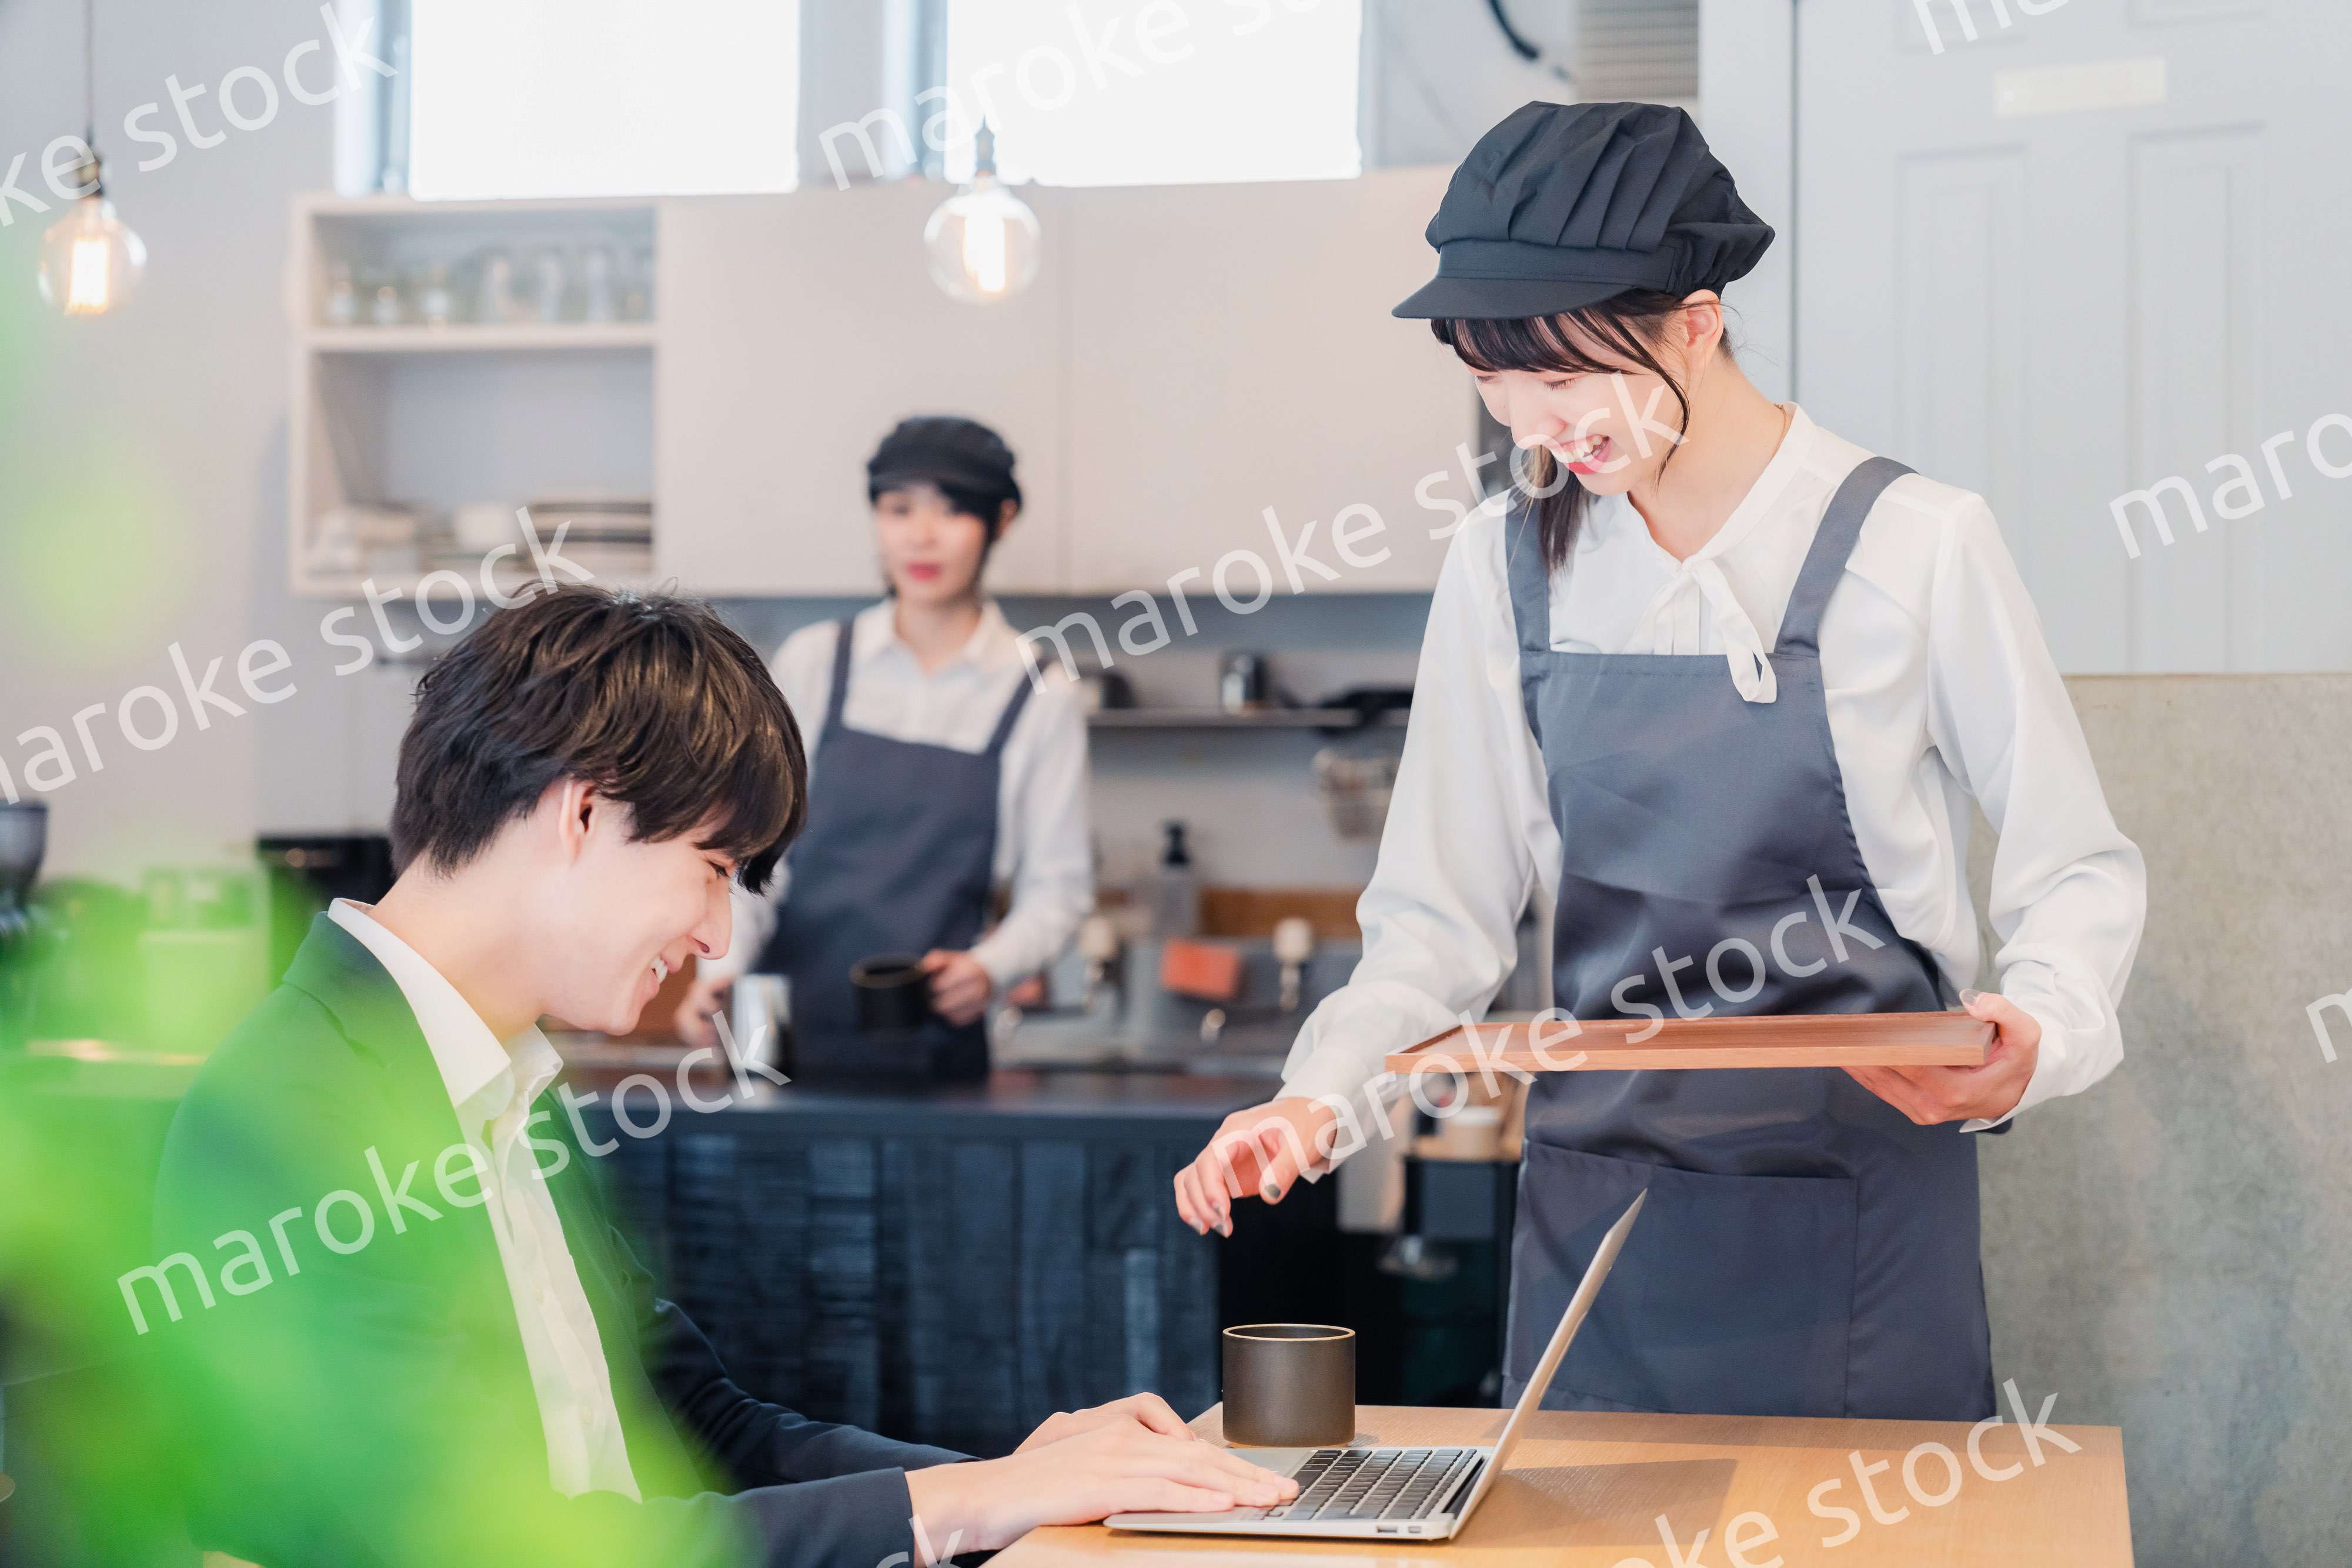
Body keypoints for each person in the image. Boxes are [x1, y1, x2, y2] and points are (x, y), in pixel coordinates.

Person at [1172, 102, 2147, 1423]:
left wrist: (2041, 1034)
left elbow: (2070, 863)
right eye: (1490, 381)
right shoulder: (1500, 567)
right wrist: (1314, 1100)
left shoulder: (1916, 546)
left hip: (1861, 1207)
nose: (1533, 427)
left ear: (1695, 319)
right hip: (1602, 1215)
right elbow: (1434, 927)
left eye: (1566, 379)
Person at [152, 587, 1291, 1568]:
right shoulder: (293, 1105)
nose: (714, 931)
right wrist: (959, 1505)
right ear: (582, 809)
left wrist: (1009, 1474)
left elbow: (698, 1419)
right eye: (710, 867)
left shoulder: (500, 1082)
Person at [679, 417, 1090, 1079]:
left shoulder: (1041, 693)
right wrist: (721, 972)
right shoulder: (816, 663)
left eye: (952, 510)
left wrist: (989, 970)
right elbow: (748, 848)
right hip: (781, 1041)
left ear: (1001, 520)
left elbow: (1058, 890)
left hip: (934, 1050)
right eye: (899, 509)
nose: (921, 536)